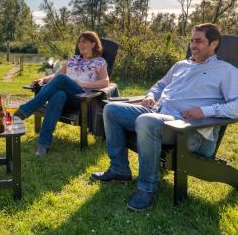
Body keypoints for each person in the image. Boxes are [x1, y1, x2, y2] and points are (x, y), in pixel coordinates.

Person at [90, 23, 238, 211]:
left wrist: (205, 111)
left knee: (145, 121)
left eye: (199, 41)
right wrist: (151, 95)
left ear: (214, 44)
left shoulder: (226, 71)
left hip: (188, 130)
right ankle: (119, 170)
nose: (193, 45)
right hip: (159, 114)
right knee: (111, 110)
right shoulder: (181, 65)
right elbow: (160, 85)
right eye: (191, 40)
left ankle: (147, 187)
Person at [14, 31, 110, 157]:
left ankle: (25, 110)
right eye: (79, 42)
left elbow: (105, 82)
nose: (80, 45)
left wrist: (81, 84)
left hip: (82, 99)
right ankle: (43, 145)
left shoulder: (99, 62)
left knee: (62, 80)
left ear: (93, 44)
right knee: (58, 95)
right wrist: (43, 80)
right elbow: (57, 74)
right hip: (65, 98)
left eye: (84, 42)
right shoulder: (73, 59)